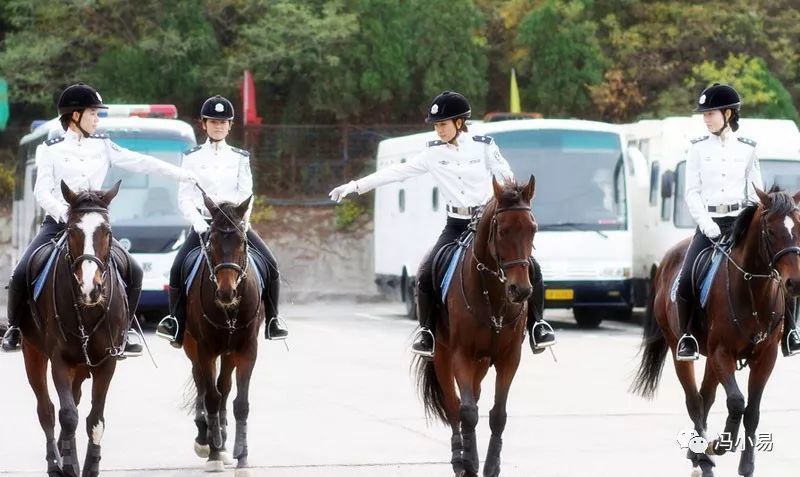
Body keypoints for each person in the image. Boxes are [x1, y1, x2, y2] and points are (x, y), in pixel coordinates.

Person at [329, 91, 556, 358]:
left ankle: (538, 325)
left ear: (459, 123)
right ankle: (426, 333)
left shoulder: (484, 146)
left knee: (531, 266)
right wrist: (355, 186)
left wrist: (514, 199)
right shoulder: (431, 153)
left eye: (443, 124)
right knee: (426, 271)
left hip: (486, 223)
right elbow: (396, 173)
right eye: (436, 125)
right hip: (456, 224)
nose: (439, 130)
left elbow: (506, 176)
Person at [1, 83, 198, 356]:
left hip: (94, 228)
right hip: (58, 223)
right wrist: (65, 213)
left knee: (135, 271)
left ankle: (126, 330)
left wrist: (183, 174)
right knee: (21, 271)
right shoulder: (50, 149)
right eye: (93, 113)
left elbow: (140, 162)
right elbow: (41, 191)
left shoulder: (103, 146)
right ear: (75, 116)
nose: (97, 118)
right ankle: (13, 328)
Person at [676, 82, 800, 360]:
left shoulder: (747, 148)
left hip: (741, 221)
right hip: (708, 223)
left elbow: (755, 190)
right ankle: (687, 337)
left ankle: (790, 331)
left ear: (728, 114)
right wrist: (707, 224)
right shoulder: (696, 149)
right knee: (685, 279)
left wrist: (750, 218)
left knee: (780, 268)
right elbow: (691, 193)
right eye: (704, 114)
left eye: (710, 113)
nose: (705, 118)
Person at [156, 95, 288, 347]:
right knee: (177, 268)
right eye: (213, 122)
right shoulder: (191, 157)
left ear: (230, 126)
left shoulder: (240, 157)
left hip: (236, 225)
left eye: (223, 122)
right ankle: (176, 322)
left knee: (270, 263)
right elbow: (184, 197)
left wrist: (241, 222)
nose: (218, 126)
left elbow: (248, 194)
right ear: (203, 124)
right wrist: (198, 222)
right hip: (206, 225)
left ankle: (273, 320)